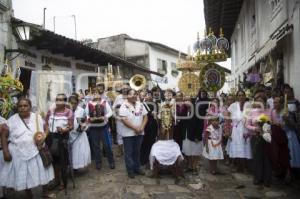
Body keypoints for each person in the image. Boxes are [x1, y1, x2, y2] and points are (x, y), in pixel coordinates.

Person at [0, 98, 54, 198]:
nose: (23, 108)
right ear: (17, 108)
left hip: (37, 150)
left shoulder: (37, 117)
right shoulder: (11, 120)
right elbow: (4, 135)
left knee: (43, 171)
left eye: (25, 106)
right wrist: (5, 152)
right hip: (18, 153)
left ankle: (45, 192)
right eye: (20, 106)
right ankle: (29, 194)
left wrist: (44, 136)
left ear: (30, 107)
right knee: (23, 175)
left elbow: (46, 127)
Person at [149, 89, 184, 182]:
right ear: (164, 95)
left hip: (171, 126)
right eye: (166, 93)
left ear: (172, 95)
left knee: (170, 138)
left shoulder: (174, 103)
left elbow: (176, 116)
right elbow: (159, 116)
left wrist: (172, 112)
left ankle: (173, 165)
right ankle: (159, 164)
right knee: (162, 138)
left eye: (169, 93)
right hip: (162, 125)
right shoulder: (161, 103)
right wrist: (156, 115)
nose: (167, 95)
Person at [45, 93, 74, 191]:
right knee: (53, 162)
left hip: (62, 139)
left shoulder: (69, 112)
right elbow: (46, 124)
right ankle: (56, 180)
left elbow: (71, 126)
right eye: (57, 99)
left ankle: (63, 182)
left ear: (65, 102)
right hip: (51, 138)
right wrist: (45, 135)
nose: (58, 102)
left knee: (62, 163)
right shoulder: (51, 111)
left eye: (61, 100)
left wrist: (64, 129)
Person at [119, 89, 148, 178]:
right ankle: (130, 170)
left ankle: (137, 168)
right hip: (128, 134)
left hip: (140, 133)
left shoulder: (141, 104)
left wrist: (142, 128)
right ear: (127, 96)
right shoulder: (123, 106)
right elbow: (124, 120)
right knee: (129, 153)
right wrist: (135, 128)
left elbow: (145, 117)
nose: (134, 96)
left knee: (137, 151)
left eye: (135, 94)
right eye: (131, 94)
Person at [245, 93, 272, 187]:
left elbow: (273, 123)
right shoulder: (252, 112)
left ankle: (267, 179)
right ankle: (257, 177)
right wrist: (255, 129)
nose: (259, 102)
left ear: (265, 101)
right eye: (257, 101)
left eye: (261, 101)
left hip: (267, 138)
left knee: (267, 158)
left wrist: (267, 128)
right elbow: (247, 125)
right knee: (257, 158)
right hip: (255, 137)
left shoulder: (269, 111)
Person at [85, 91, 115, 170]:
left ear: (100, 95)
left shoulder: (104, 102)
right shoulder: (89, 104)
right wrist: (89, 118)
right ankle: (98, 163)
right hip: (93, 128)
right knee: (96, 146)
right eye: (94, 94)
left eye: (97, 93)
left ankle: (111, 162)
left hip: (103, 127)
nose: (96, 95)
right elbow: (86, 114)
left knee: (107, 145)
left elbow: (110, 112)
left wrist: (104, 117)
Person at [227, 90, 252, 172]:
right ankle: (239, 167)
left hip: (246, 129)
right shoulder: (233, 106)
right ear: (237, 97)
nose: (241, 97)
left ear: (245, 96)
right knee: (237, 147)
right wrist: (228, 131)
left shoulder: (248, 105)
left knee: (245, 147)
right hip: (236, 129)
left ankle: (246, 167)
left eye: (242, 95)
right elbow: (228, 119)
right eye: (239, 95)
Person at [271, 96, 290, 182]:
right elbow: (271, 122)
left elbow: (284, 124)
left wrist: (279, 123)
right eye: (274, 102)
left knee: (284, 154)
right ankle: (278, 171)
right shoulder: (273, 111)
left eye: (277, 102)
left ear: (281, 103)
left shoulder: (284, 112)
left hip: (283, 135)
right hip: (275, 135)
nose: (275, 104)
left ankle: (287, 173)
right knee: (276, 154)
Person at [68, 95, 91, 170]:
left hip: (80, 136)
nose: (73, 105)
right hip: (70, 135)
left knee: (80, 152)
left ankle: (77, 167)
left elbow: (86, 121)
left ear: (77, 103)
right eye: (71, 103)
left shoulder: (81, 110)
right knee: (72, 153)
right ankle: (72, 168)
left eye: (75, 103)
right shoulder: (66, 111)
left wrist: (83, 127)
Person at [182, 95, 202, 175]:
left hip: (194, 134)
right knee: (188, 151)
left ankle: (195, 167)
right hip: (186, 134)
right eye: (185, 100)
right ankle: (190, 166)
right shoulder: (185, 110)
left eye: (188, 100)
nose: (186, 102)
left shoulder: (197, 110)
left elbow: (200, 124)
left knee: (195, 151)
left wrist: (198, 136)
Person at [140, 90, 158, 166]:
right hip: (145, 124)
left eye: (150, 95)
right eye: (147, 95)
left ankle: (150, 159)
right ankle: (143, 159)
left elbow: (156, 113)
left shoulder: (155, 103)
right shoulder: (142, 104)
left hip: (153, 125)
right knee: (144, 142)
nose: (148, 96)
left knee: (151, 142)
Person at [112, 83, 130, 156]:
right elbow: (113, 108)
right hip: (119, 120)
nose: (125, 90)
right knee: (119, 135)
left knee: (128, 134)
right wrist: (115, 116)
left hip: (129, 120)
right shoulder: (118, 97)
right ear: (121, 90)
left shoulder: (131, 96)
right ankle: (120, 151)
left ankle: (128, 150)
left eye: (126, 88)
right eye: (123, 88)